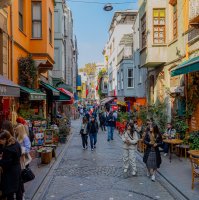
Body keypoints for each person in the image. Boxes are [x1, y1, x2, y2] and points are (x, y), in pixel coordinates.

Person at [0, 130, 24, 200]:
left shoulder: (8, 149)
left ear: (5, 139)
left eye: (0, 140)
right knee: (18, 189)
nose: (0, 142)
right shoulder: (16, 143)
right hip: (17, 168)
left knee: (10, 191)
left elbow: (6, 163)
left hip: (10, 172)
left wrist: (1, 161)